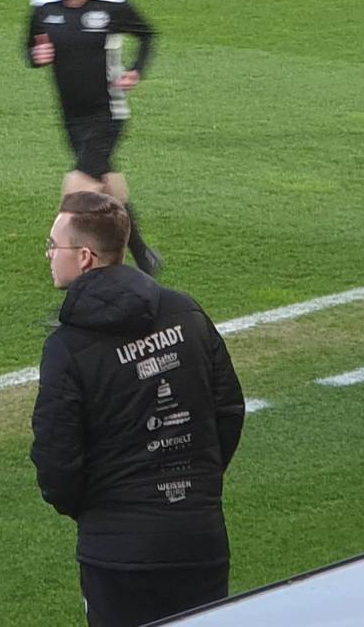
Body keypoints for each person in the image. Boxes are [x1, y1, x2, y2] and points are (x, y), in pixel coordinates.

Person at [33, 189, 242, 627]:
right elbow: (228, 411)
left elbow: (58, 464)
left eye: (55, 245)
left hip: (118, 555)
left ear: (86, 257)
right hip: (199, 538)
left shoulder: (68, 348)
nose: (49, 254)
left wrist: (100, 514)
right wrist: (197, 483)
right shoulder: (186, 313)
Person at [26, 0, 162, 274]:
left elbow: (147, 34)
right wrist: (36, 57)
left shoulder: (113, 6)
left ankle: (76, 287)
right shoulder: (43, 9)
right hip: (71, 117)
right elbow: (30, 47)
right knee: (108, 187)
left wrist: (136, 70)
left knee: (75, 198)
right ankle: (143, 257)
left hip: (108, 113)